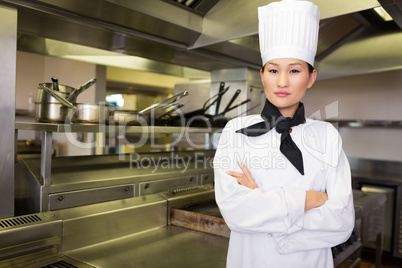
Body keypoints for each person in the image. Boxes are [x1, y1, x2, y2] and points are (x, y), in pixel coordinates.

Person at [213, 0, 355, 267]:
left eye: (294, 71)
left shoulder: (326, 136)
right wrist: (309, 199)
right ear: (262, 74)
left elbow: (341, 222)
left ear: (311, 78)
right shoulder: (236, 131)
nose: (282, 82)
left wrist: (263, 203)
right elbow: (236, 213)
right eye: (274, 70)